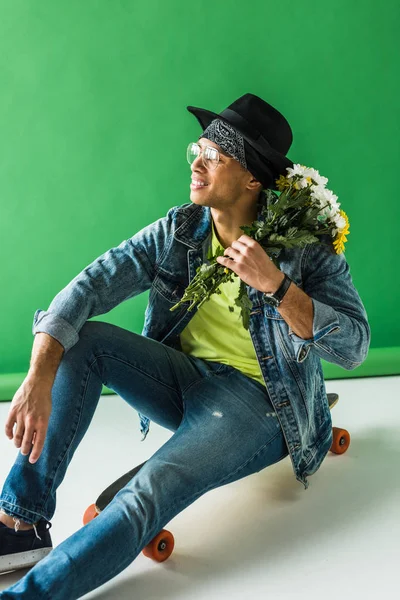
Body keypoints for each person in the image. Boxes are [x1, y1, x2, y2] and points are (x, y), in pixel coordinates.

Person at [0, 93, 370, 599]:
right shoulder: (181, 231)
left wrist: (278, 288)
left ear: (252, 180)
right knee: (80, 339)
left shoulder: (305, 252)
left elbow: (354, 347)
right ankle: (20, 524)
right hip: (185, 380)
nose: (196, 164)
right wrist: (40, 372)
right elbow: (90, 285)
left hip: (260, 406)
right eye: (196, 150)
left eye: (214, 157)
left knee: (145, 494)